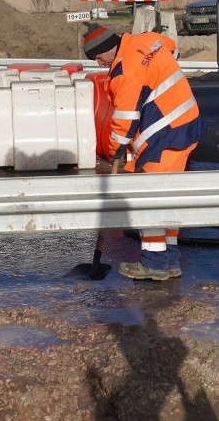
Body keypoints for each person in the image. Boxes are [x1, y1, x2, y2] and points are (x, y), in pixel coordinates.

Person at [83, 23, 207, 281]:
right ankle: (170, 260)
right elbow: (173, 49)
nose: (98, 63)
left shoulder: (125, 72)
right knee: (167, 197)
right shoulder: (148, 39)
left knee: (149, 200)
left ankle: (155, 263)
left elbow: (125, 122)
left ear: (107, 49)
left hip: (164, 136)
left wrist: (114, 150)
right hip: (186, 124)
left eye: (97, 57)